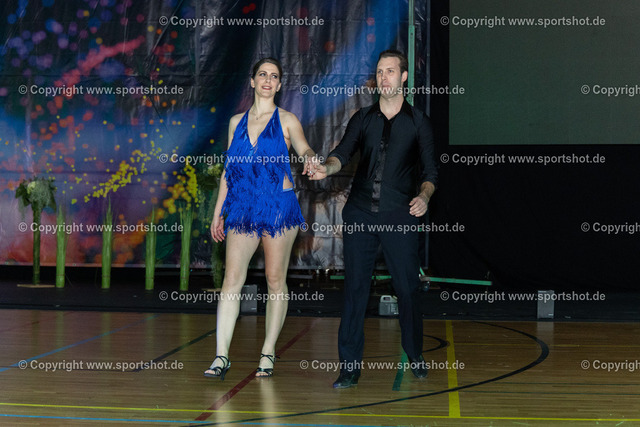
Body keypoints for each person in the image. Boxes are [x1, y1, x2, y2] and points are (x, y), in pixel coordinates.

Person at [309, 50, 438, 388]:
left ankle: (415, 353)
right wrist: (326, 168)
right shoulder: (363, 118)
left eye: (390, 71)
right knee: (355, 289)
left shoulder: (419, 122)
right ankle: (349, 367)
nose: (384, 77)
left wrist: (424, 196)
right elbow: (341, 153)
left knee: (407, 288)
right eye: (380, 71)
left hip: (400, 215)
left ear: (404, 77)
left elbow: (431, 173)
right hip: (360, 214)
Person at [205, 57, 317, 379]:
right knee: (231, 279)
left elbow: (305, 149)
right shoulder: (235, 122)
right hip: (242, 207)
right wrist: (218, 212)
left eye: (274, 76)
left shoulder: (287, 120)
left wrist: (311, 159)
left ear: (279, 85)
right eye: (263, 74)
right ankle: (221, 356)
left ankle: (268, 352)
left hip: (279, 207)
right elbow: (229, 170)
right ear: (252, 81)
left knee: (274, 279)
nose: (268, 80)